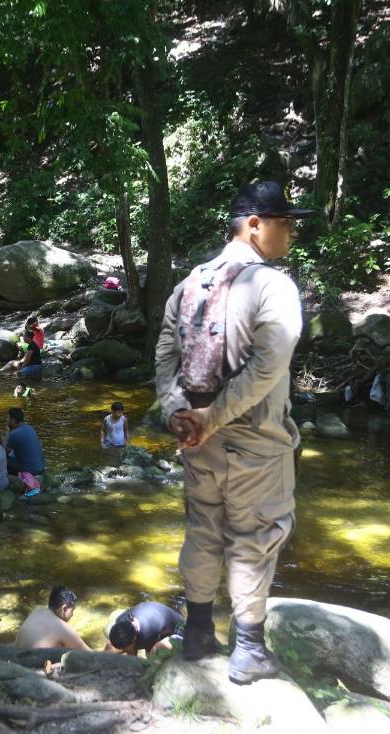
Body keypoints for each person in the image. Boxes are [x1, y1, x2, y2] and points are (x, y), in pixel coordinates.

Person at [154, 180, 311, 680]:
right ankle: (249, 649)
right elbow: (268, 368)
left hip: (197, 441)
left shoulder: (189, 283)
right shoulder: (273, 287)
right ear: (255, 225)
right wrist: (211, 417)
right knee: (255, 536)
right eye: (286, 222)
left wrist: (179, 413)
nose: (291, 232)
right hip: (256, 444)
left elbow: (165, 355)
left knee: (203, 529)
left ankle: (198, 633)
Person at [14, 586, 93, 651]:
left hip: (14, 657)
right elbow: (89, 655)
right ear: (64, 609)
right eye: (72, 610)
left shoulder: (37, 611)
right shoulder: (63, 628)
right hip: (30, 665)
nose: (72, 615)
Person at [104, 601, 183, 657]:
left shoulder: (147, 633)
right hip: (155, 618)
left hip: (178, 629)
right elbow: (130, 650)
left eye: (125, 648)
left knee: (154, 653)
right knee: (111, 648)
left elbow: (145, 653)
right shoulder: (120, 620)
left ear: (134, 638)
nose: (123, 650)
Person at [5, 407, 45, 477]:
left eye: (8, 418)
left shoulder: (15, 434)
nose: (6, 420)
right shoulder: (30, 428)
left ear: (13, 420)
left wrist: (7, 434)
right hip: (40, 468)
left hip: (31, 471)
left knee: (1, 459)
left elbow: (4, 453)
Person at [100, 401, 129, 465]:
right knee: (111, 461)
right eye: (118, 412)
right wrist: (102, 441)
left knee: (121, 461)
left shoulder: (124, 419)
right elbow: (102, 430)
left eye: (121, 412)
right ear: (112, 411)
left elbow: (126, 430)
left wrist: (127, 442)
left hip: (121, 444)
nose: (120, 414)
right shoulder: (106, 419)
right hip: (109, 443)